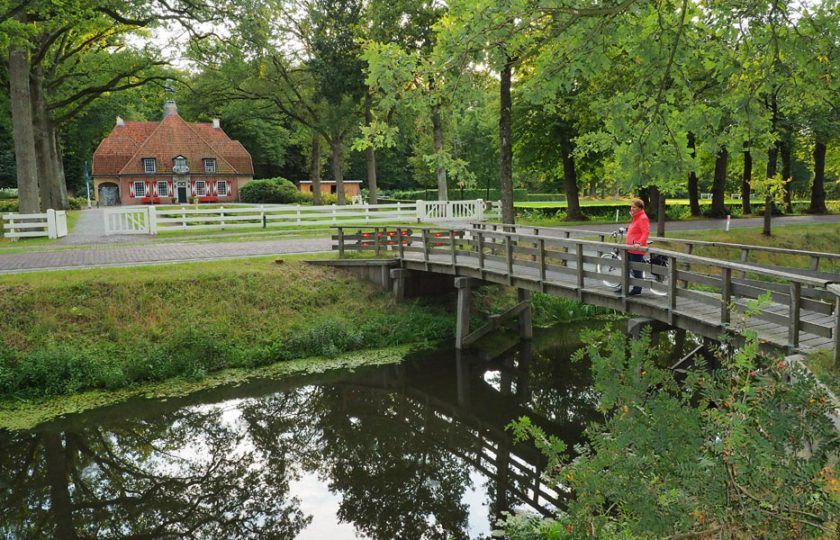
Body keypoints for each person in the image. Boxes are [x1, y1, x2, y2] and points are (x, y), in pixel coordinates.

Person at [624, 198, 650, 295]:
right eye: (631, 206)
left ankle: (637, 289)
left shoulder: (643, 217)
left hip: (636, 248)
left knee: (636, 269)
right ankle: (624, 286)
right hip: (630, 247)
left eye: (634, 207)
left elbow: (645, 232)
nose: (632, 208)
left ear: (640, 208)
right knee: (628, 267)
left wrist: (639, 243)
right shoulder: (636, 217)